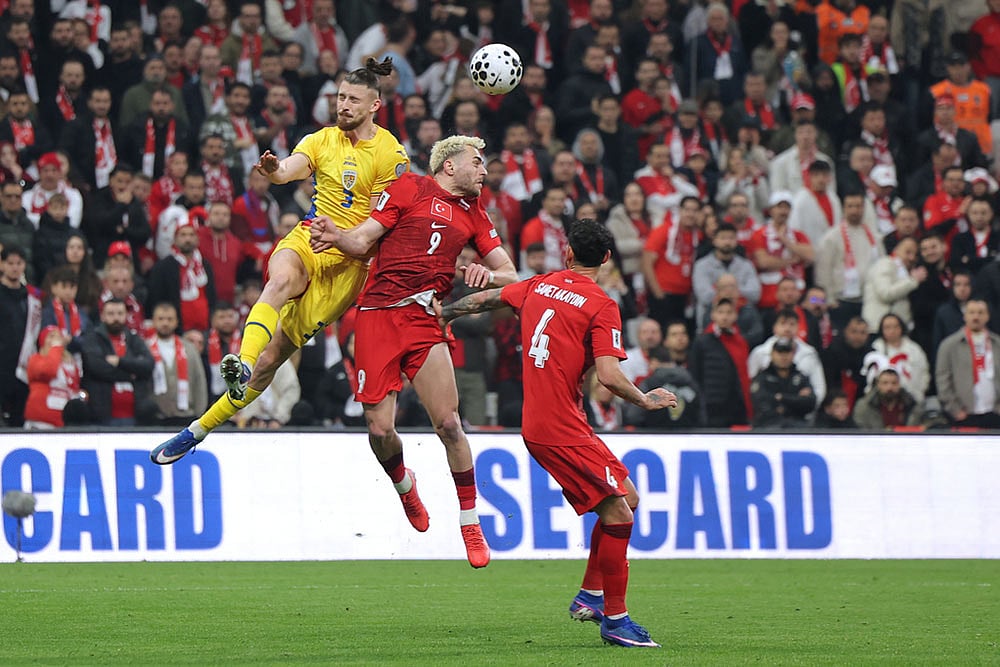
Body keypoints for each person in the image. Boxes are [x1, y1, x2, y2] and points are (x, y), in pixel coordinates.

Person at [151, 58, 408, 465]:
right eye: (340, 97)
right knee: (279, 281)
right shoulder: (321, 139)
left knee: (274, 359)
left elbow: (376, 230)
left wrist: (342, 238)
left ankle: (199, 429)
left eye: (353, 100)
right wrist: (274, 170)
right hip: (310, 236)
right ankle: (241, 362)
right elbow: (289, 169)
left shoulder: (391, 155)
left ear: (374, 106)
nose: (343, 105)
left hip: (347, 265)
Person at [440, 217, 674, 648]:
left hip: (550, 421)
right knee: (620, 514)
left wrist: (448, 313)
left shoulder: (540, 284)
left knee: (629, 498)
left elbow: (490, 298)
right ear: (606, 258)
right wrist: (644, 399)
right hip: (560, 428)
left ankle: (590, 594)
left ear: (567, 253)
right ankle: (616, 621)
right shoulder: (601, 303)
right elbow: (608, 375)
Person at [309, 135, 518, 568]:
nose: (483, 171)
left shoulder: (476, 214)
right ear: (449, 166)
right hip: (377, 317)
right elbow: (363, 239)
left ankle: (469, 520)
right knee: (380, 431)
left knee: (449, 424)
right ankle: (406, 487)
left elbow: (510, 274)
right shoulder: (409, 188)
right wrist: (335, 235)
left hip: (424, 319)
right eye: (476, 163)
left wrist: (485, 272)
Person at [935, 299, 1000, 428]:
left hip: (995, 413)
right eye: (972, 312)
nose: (976, 317)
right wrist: (955, 409)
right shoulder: (949, 345)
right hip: (964, 415)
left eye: (980, 313)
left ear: (987, 316)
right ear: (965, 316)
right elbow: (943, 379)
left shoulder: (997, 344)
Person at [751, 336, 816, 429]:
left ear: (793, 354)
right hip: (768, 426)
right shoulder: (762, 378)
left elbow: (810, 403)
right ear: (772, 354)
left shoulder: (801, 378)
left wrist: (781, 398)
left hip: (798, 427)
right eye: (780, 353)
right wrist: (796, 400)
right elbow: (761, 404)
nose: (784, 357)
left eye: (787, 353)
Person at [853, 368, 924, 430]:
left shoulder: (912, 405)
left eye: (894, 383)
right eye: (885, 383)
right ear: (878, 385)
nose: (890, 387)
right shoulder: (864, 407)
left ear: (899, 385)